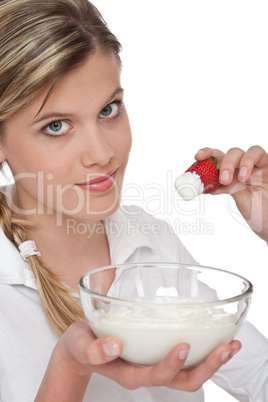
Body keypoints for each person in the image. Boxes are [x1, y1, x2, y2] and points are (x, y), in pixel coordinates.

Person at [0, 1, 267, 401]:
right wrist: (70, 368)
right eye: (56, 126)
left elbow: (259, 377)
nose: (102, 153)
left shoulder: (149, 242)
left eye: (109, 109)